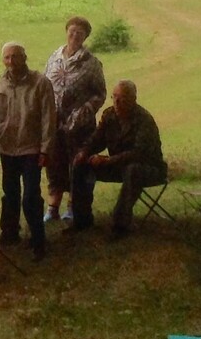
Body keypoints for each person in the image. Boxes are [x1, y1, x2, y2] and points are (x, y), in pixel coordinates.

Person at [70, 80, 167, 237]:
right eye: (114, 97)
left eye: (121, 98)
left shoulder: (144, 120)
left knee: (133, 170)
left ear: (133, 100)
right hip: (118, 166)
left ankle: (120, 225)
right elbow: (97, 139)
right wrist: (84, 152)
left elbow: (139, 153)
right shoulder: (109, 115)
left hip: (148, 168)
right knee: (80, 165)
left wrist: (108, 160)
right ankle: (81, 220)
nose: (116, 102)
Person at [0, 42, 56, 261]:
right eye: (7, 58)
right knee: (10, 193)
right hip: (7, 148)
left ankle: (38, 240)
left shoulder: (41, 83)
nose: (11, 62)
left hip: (31, 148)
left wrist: (45, 149)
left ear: (25, 57)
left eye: (15, 57)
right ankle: (10, 233)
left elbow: (48, 119)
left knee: (31, 197)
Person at [43, 16, 106, 223]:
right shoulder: (54, 57)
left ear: (86, 36)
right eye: (72, 31)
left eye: (80, 32)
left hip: (79, 126)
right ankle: (52, 207)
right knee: (54, 164)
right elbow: (44, 84)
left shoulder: (92, 62)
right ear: (66, 31)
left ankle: (72, 206)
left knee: (76, 164)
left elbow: (100, 93)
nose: (75, 35)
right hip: (54, 122)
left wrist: (85, 110)